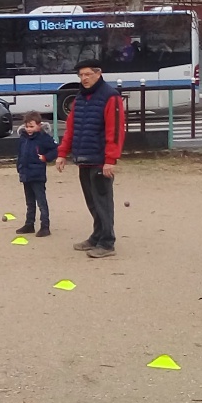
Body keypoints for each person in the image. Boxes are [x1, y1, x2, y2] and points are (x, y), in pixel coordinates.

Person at [55, 60, 126, 258]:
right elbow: (71, 128)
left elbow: (116, 130)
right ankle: (97, 236)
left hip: (100, 159)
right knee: (92, 201)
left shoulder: (110, 97)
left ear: (98, 73)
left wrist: (110, 159)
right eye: (81, 75)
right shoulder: (80, 98)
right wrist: (62, 153)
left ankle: (107, 242)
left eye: (87, 74)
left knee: (103, 201)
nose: (84, 79)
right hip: (83, 157)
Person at [15, 111, 59, 237]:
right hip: (25, 173)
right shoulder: (23, 138)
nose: (29, 129)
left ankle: (45, 226)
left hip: (37, 174)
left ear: (39, 125)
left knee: (41, 201)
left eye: (31, 126)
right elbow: (21, 154)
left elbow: (56, 149)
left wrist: (46, 157)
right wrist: (19, 167)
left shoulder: (43, 138)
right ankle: (29, 224)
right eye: (27, 126)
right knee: (29, 201)